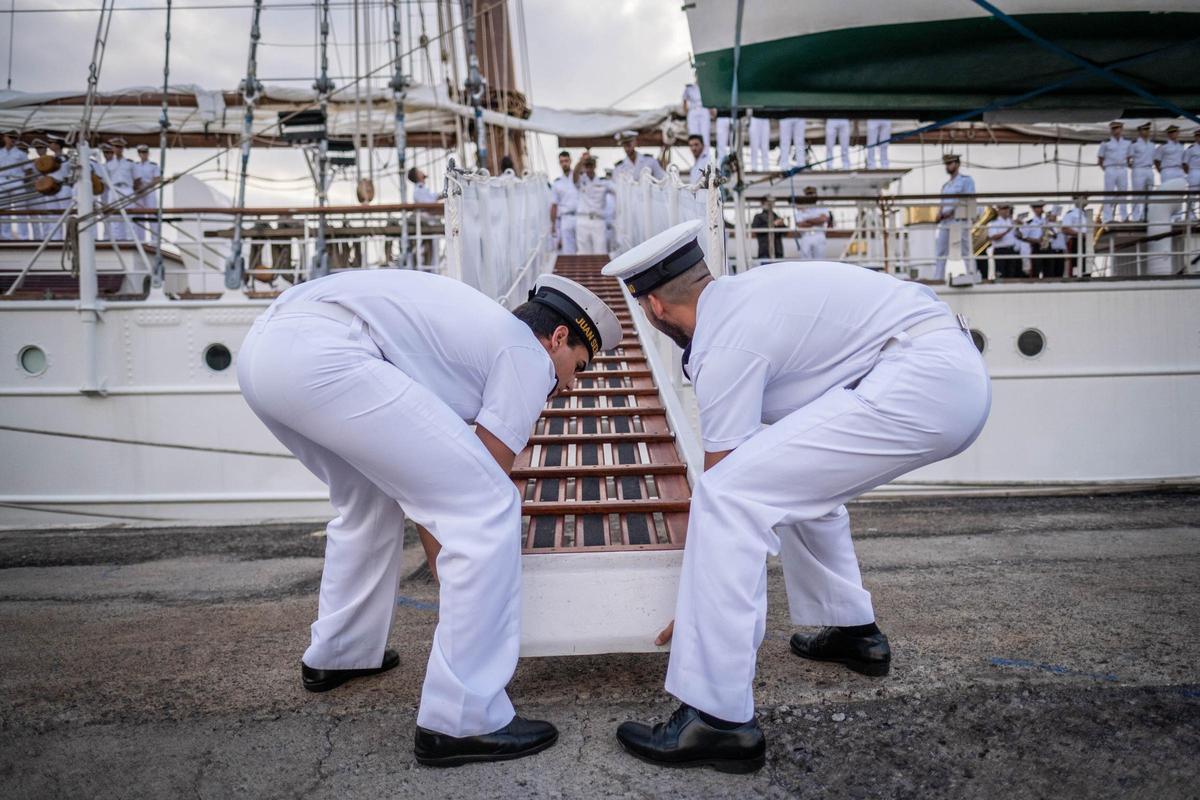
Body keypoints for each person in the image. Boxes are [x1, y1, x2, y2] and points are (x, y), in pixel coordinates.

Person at [601, 220, 990, 774]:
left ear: (654, 309)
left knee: (732, 496)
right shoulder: (746, 298)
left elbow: (724, 485)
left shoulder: (723, 344)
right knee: (794, 483)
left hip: (920, 382)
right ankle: (853, 630)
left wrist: (692, 608)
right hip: (946, 370)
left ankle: (717, 717)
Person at [237, 269, 620, 766]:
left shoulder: (471, 339)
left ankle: (342, 653)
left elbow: (428, 488)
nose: (569, 384)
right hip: (327, 356)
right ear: (559, 337)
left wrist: (448, 566)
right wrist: (456, 577)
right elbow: (477, 486)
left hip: (265, 353)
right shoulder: (527, 356)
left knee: (367, 500)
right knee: (488, 506)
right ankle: (465, 719)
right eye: (579, 367)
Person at [933, 153, 978, 282]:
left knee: (965, 249)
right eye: (946, 164)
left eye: (950, 163)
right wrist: (939, 213)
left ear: (957, 164)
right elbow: (942, 203)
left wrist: (952, 212)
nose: (947, 166)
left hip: (959, 219)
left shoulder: (966, 181)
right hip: (945, 221)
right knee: (941, 251)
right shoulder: (946, 185)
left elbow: (969, 199)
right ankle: (938, 278)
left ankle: (971, 274)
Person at [572, 154, 613, 255]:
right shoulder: (581, 181)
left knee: (600, 252)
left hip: (598, 221)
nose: (589, 168)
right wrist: (581, 161)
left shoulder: (604, 182)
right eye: (587, 165)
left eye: (591, 165)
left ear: (595, 166)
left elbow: (618, 191)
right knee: (583, 253)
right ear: (584, 166)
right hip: (583, 220)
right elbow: (574, 176)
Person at [1097, 120, 1130, 223]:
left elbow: (1129, 157)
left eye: (1118, 128)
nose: (1116, 130)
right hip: (1110, 168)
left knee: (1123, 194)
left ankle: (1124, 217)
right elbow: (1100, 159)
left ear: (1121, 129)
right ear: (1111, 130)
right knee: (1108, 194)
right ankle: (1107, 217)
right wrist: (1107, 169)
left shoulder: (1127, 142)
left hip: (1122, 168)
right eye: (1114, 128)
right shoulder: (1105, 143)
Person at [0, 131, 29, 240]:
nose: (12, 139)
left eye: (14, 137)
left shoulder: (21, 154)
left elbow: (28, 170)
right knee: (3, 210)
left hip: (17, 181)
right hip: (2, 181)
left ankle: (23, 237)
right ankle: (5, 236)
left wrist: (25, 181)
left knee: (21, 210)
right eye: (10, 137)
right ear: (4, 137)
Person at [132, 143, 163, 242]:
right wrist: (138, 188)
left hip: (150, 191)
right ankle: (141, 241)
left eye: (144, 152)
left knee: (152, 215)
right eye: (140, 152)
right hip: (139, 192)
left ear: (148, 153)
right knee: (139, 216)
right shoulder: (135, 165)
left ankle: (155, 241)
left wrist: (146, 187)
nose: (142, 154)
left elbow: (157, 179)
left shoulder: (153, 165)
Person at [549, 150, 578, 255]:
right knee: (569, 252)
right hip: (565, 218)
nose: (564, 163)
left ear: (570, 161)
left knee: (583, 250)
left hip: (580, 216)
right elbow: (554, 205)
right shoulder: (557, 183)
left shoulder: (577, 177)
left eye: (566, 161)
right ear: (559, 163)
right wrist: (553, 224)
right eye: (562, 161)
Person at [794, 185, 831, 260]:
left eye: (812, 193)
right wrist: (816, 220)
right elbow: (800, 224)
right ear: (805, 195)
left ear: (816, 194)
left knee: (820, 261)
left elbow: (824, 219)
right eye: (808, 194)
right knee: (805, 261)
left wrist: (807, 220)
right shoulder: (801, 208)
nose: (810, 195)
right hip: (806, 236)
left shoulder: (822, 206)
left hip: (819, 235)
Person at [1129, 122, 1156, 222]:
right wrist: (1133, 167)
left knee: (1149, 195)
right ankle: (1135, 217)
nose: (1147, 132)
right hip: (1138, 169)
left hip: (1149, 169)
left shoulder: (1152, 145)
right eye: (1145, 129)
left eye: (1148, 130)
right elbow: (1128, 158)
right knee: (1137, 194)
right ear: (1140, 131)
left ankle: (1146, 216)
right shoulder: (1135, 144)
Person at [1060, 195, 1091, 277]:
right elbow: (1065, 229)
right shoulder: (1071, 214)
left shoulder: (1086, 214)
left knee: (1086, 263)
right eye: (1084, 198)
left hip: (1086, 242)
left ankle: (1085, 276)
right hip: (1076, 241)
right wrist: (1080, 234)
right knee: (1075, 263)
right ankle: (1075, 278)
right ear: (1077, 200)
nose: (1086, 200)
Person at [987, 203, 1021, 278]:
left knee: (1011, 273)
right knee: (1000, 273)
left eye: (1007, 208)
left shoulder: (1011, 221)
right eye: (1004, 208)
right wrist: (1007, 230)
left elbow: (1018, 236)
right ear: (998, 210)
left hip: (1011, 250)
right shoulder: (993, 223)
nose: (1006, 210)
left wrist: (1018, 228)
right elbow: (993, 237)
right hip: (1000, 250)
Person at [1017, 201, 1047, 278]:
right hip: (1035, 246)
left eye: (1041, 207)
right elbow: (1024, 237)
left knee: (1047, 269)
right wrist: (1036, 241)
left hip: (1045, 246)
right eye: (1039, 207)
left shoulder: (1045, 221)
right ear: (1034, 209)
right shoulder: (1029, 222)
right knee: (1035, 269)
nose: (1041, 209)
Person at [749, 197, 785, 261]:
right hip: (764, 250)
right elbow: (756, 230)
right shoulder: (758, 217)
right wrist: (773, 224)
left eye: (772, 203)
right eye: (767, 202)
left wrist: (782, 225)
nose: (770, 204)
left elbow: (784, 233)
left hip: (777, 251)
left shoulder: (776, 216)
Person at [681, 82, 711, 150]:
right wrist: (687, 117)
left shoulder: (707, 86)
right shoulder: (689, 88)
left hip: (704, 109)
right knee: (693, 136)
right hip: (693, 111)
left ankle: (705, 156)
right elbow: (684, 102)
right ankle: (696, 156)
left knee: (705, 136)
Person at [1043, 207, 1066, 279]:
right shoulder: (1047, 225)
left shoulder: (1061, 225)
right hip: (1051, 250)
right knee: (1050, 272)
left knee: (1060, 272)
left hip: (1061, 251)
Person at [1187, 129, 1200, 219]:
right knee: (1192, 194)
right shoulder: (1191, 149)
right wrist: (1190, 173)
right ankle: (1191, 215)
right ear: (1195, 137)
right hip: (1194, 171)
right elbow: (1185, 163)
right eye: (1198, 136)